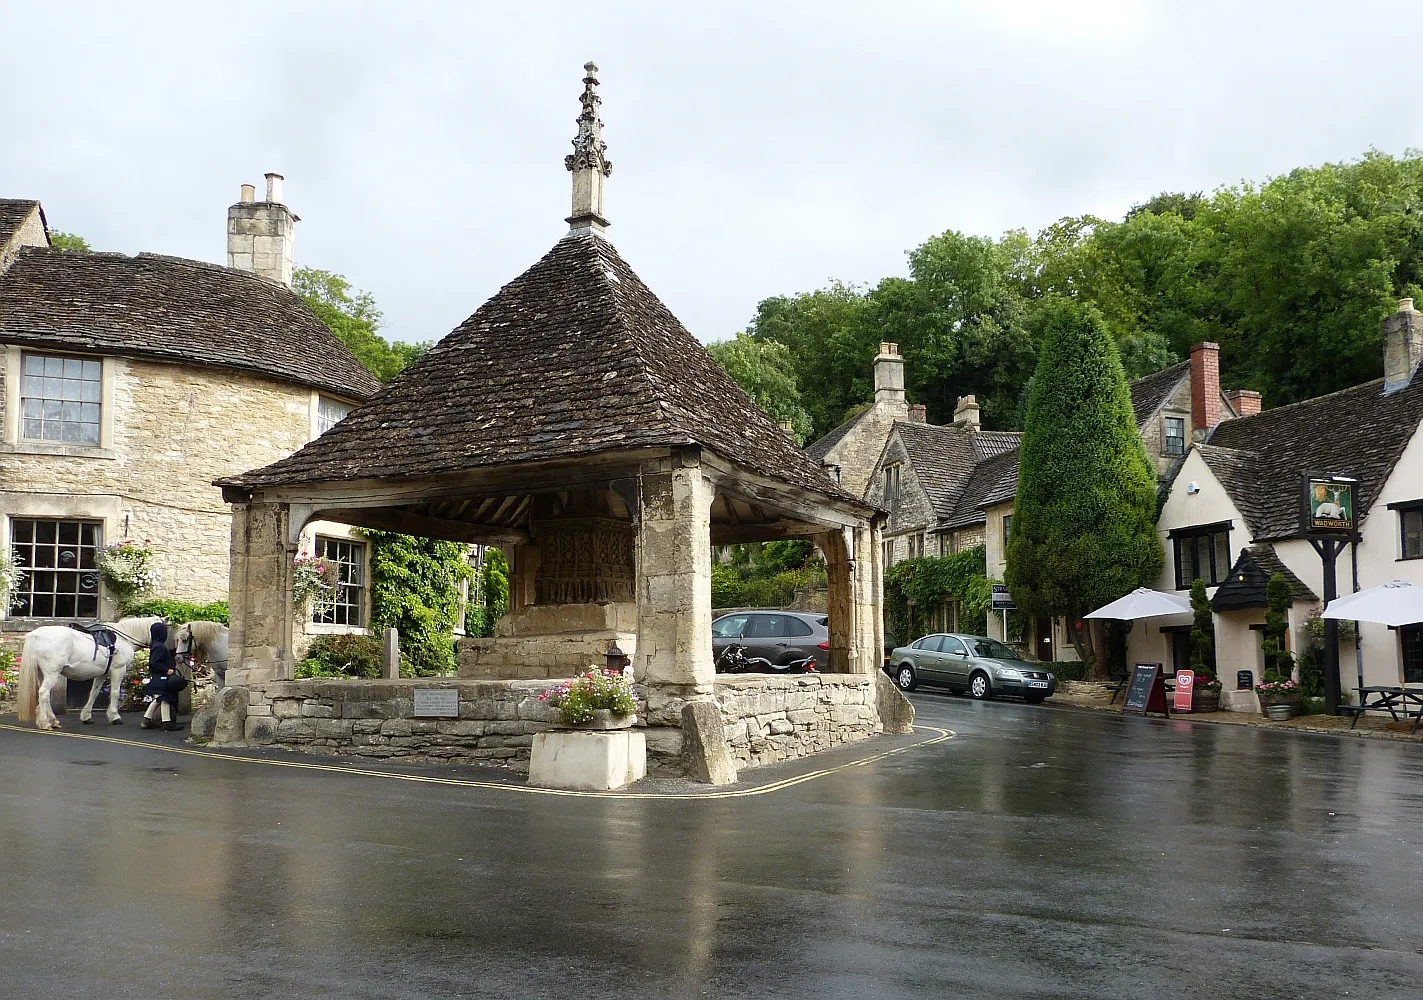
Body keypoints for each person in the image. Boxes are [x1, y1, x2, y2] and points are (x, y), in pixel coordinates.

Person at [141, 621, 187, 731]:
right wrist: (167, 670)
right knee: (165, 698)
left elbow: (164, 656)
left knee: (158, 699)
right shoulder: (159, 646)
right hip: (162, 677)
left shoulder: (156, 645)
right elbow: (154, 662)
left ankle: (146, 720)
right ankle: (167, 723)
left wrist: (175, 650)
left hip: (158, 677)